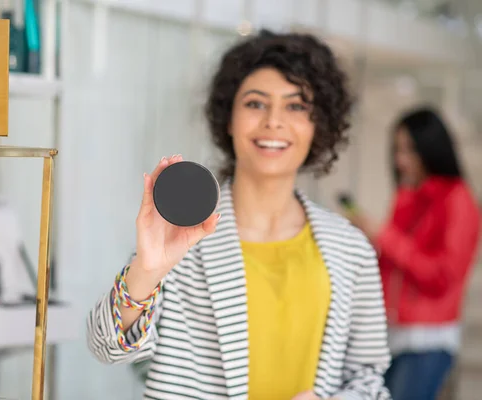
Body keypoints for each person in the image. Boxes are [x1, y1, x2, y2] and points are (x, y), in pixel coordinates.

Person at [87, 30, 391, 400]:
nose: (273, 122)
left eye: (296, 106)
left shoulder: (351, 248)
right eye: (255, 104)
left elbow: (368, 377)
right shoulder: (182, 238)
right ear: (228, 119)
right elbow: (106, 347)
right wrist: (147, 271)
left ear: (318, 125)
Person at [346, 107, 481, 400]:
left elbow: (442, 277)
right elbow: (392, 264)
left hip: (427, 341)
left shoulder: (458, 200)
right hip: (388, 333)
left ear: (430, 149)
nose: (400, 160)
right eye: (397, 149)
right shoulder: (406, 197)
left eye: (410, 150)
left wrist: (384, 235)